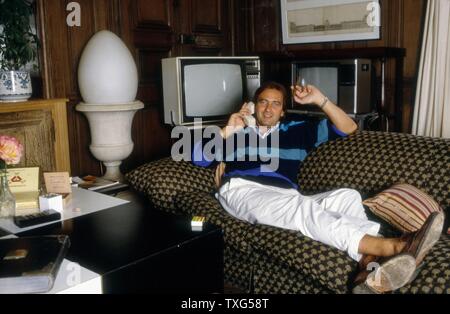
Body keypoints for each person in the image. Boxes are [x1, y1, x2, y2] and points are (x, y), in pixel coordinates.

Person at [192, 81, 444, 293]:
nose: (268, 108)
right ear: (253, 107)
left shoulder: (298, 131)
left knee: (348, 196)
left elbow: (349, 127)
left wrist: (320, 99)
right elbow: (197, 157)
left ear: (283, 112)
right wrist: (226, 130)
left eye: (276, 103)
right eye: (263, 102)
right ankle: (394, 246)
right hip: (243, 189)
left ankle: (368, 267)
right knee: (299, 207)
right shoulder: (238, 133)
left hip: (286, 193)